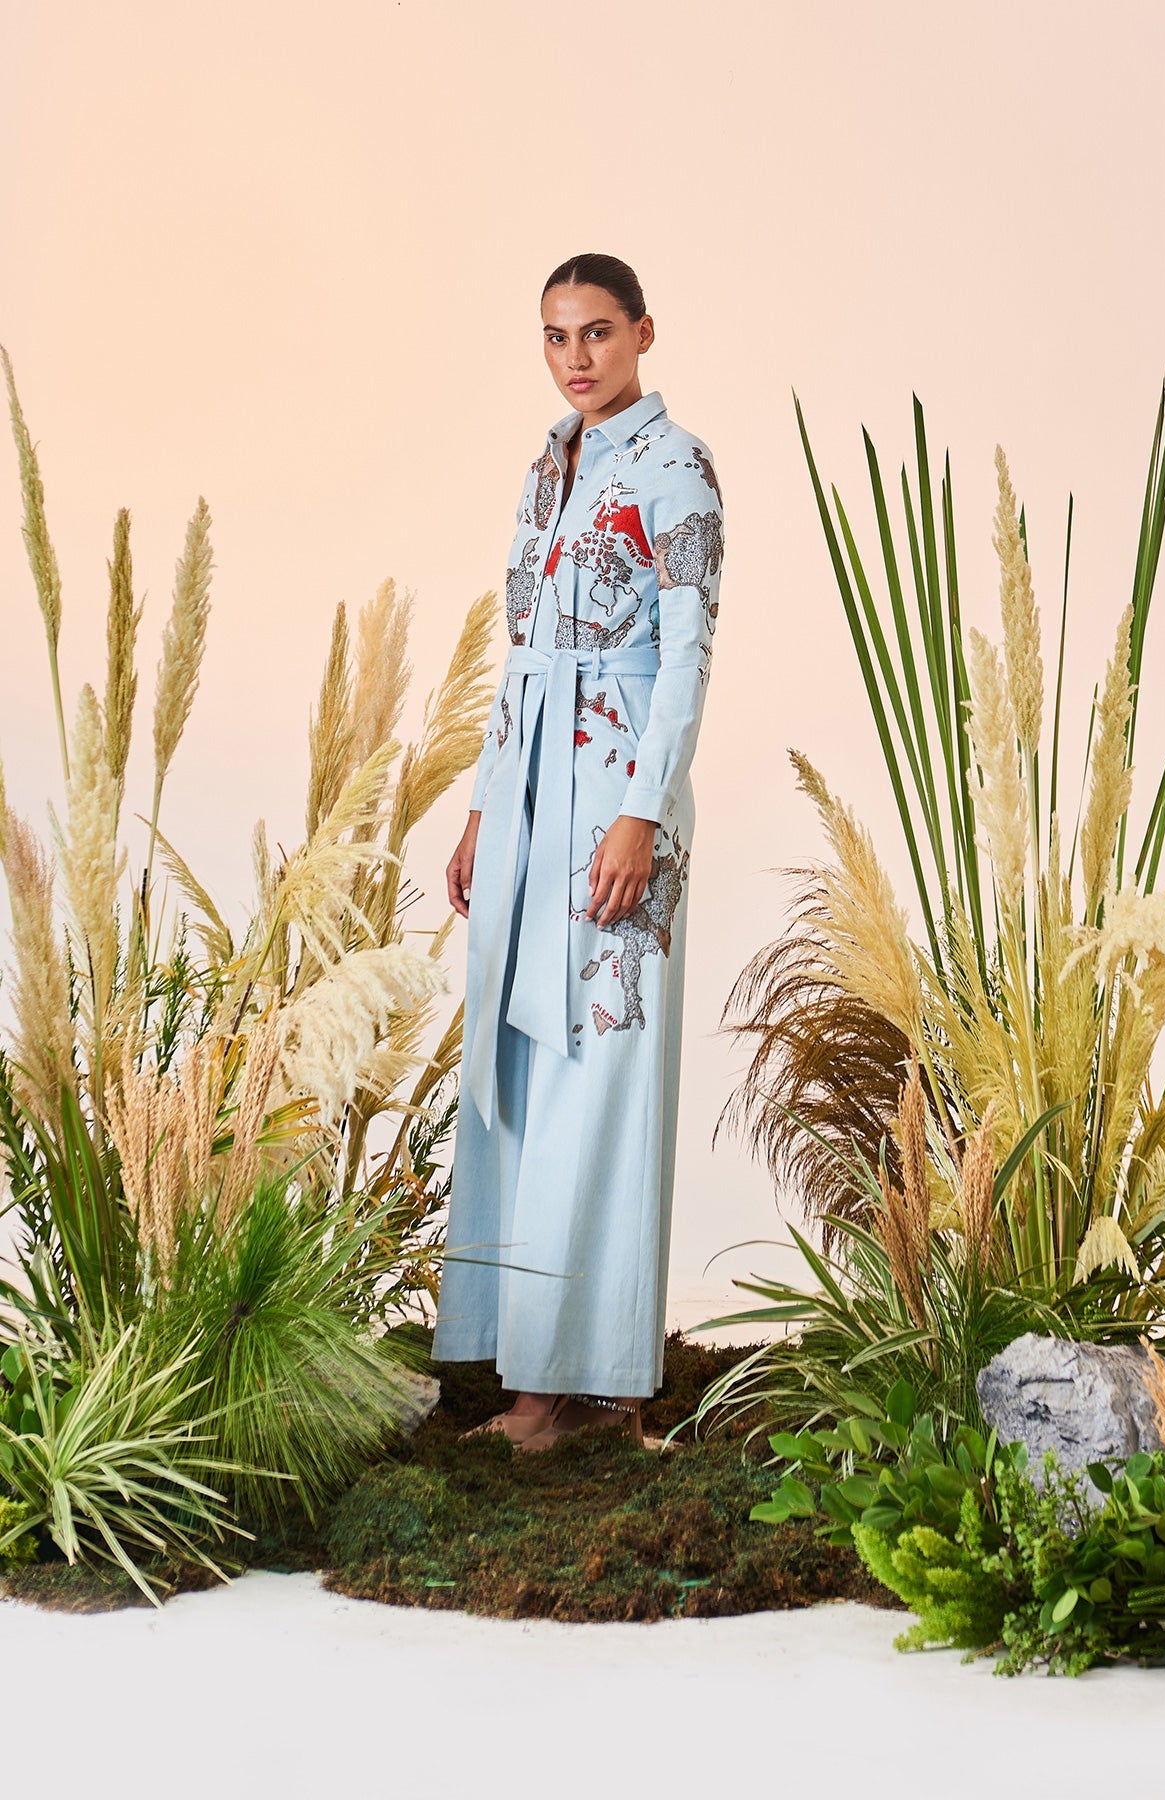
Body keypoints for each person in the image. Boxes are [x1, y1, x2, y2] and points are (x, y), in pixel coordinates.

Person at [431, 252, 724, 1453]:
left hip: (613, 794)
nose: (576, 357)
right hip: (528, 787)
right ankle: (533, 1382)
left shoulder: (678, 467)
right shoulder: (545, 466)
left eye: (597, 332)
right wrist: (483, 808)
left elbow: (690, 650)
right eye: (556, 337)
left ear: (643, 332)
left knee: (601, 1072)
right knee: (518, 1063)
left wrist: (641, 814)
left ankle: (594, 1390)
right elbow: (522, 656)